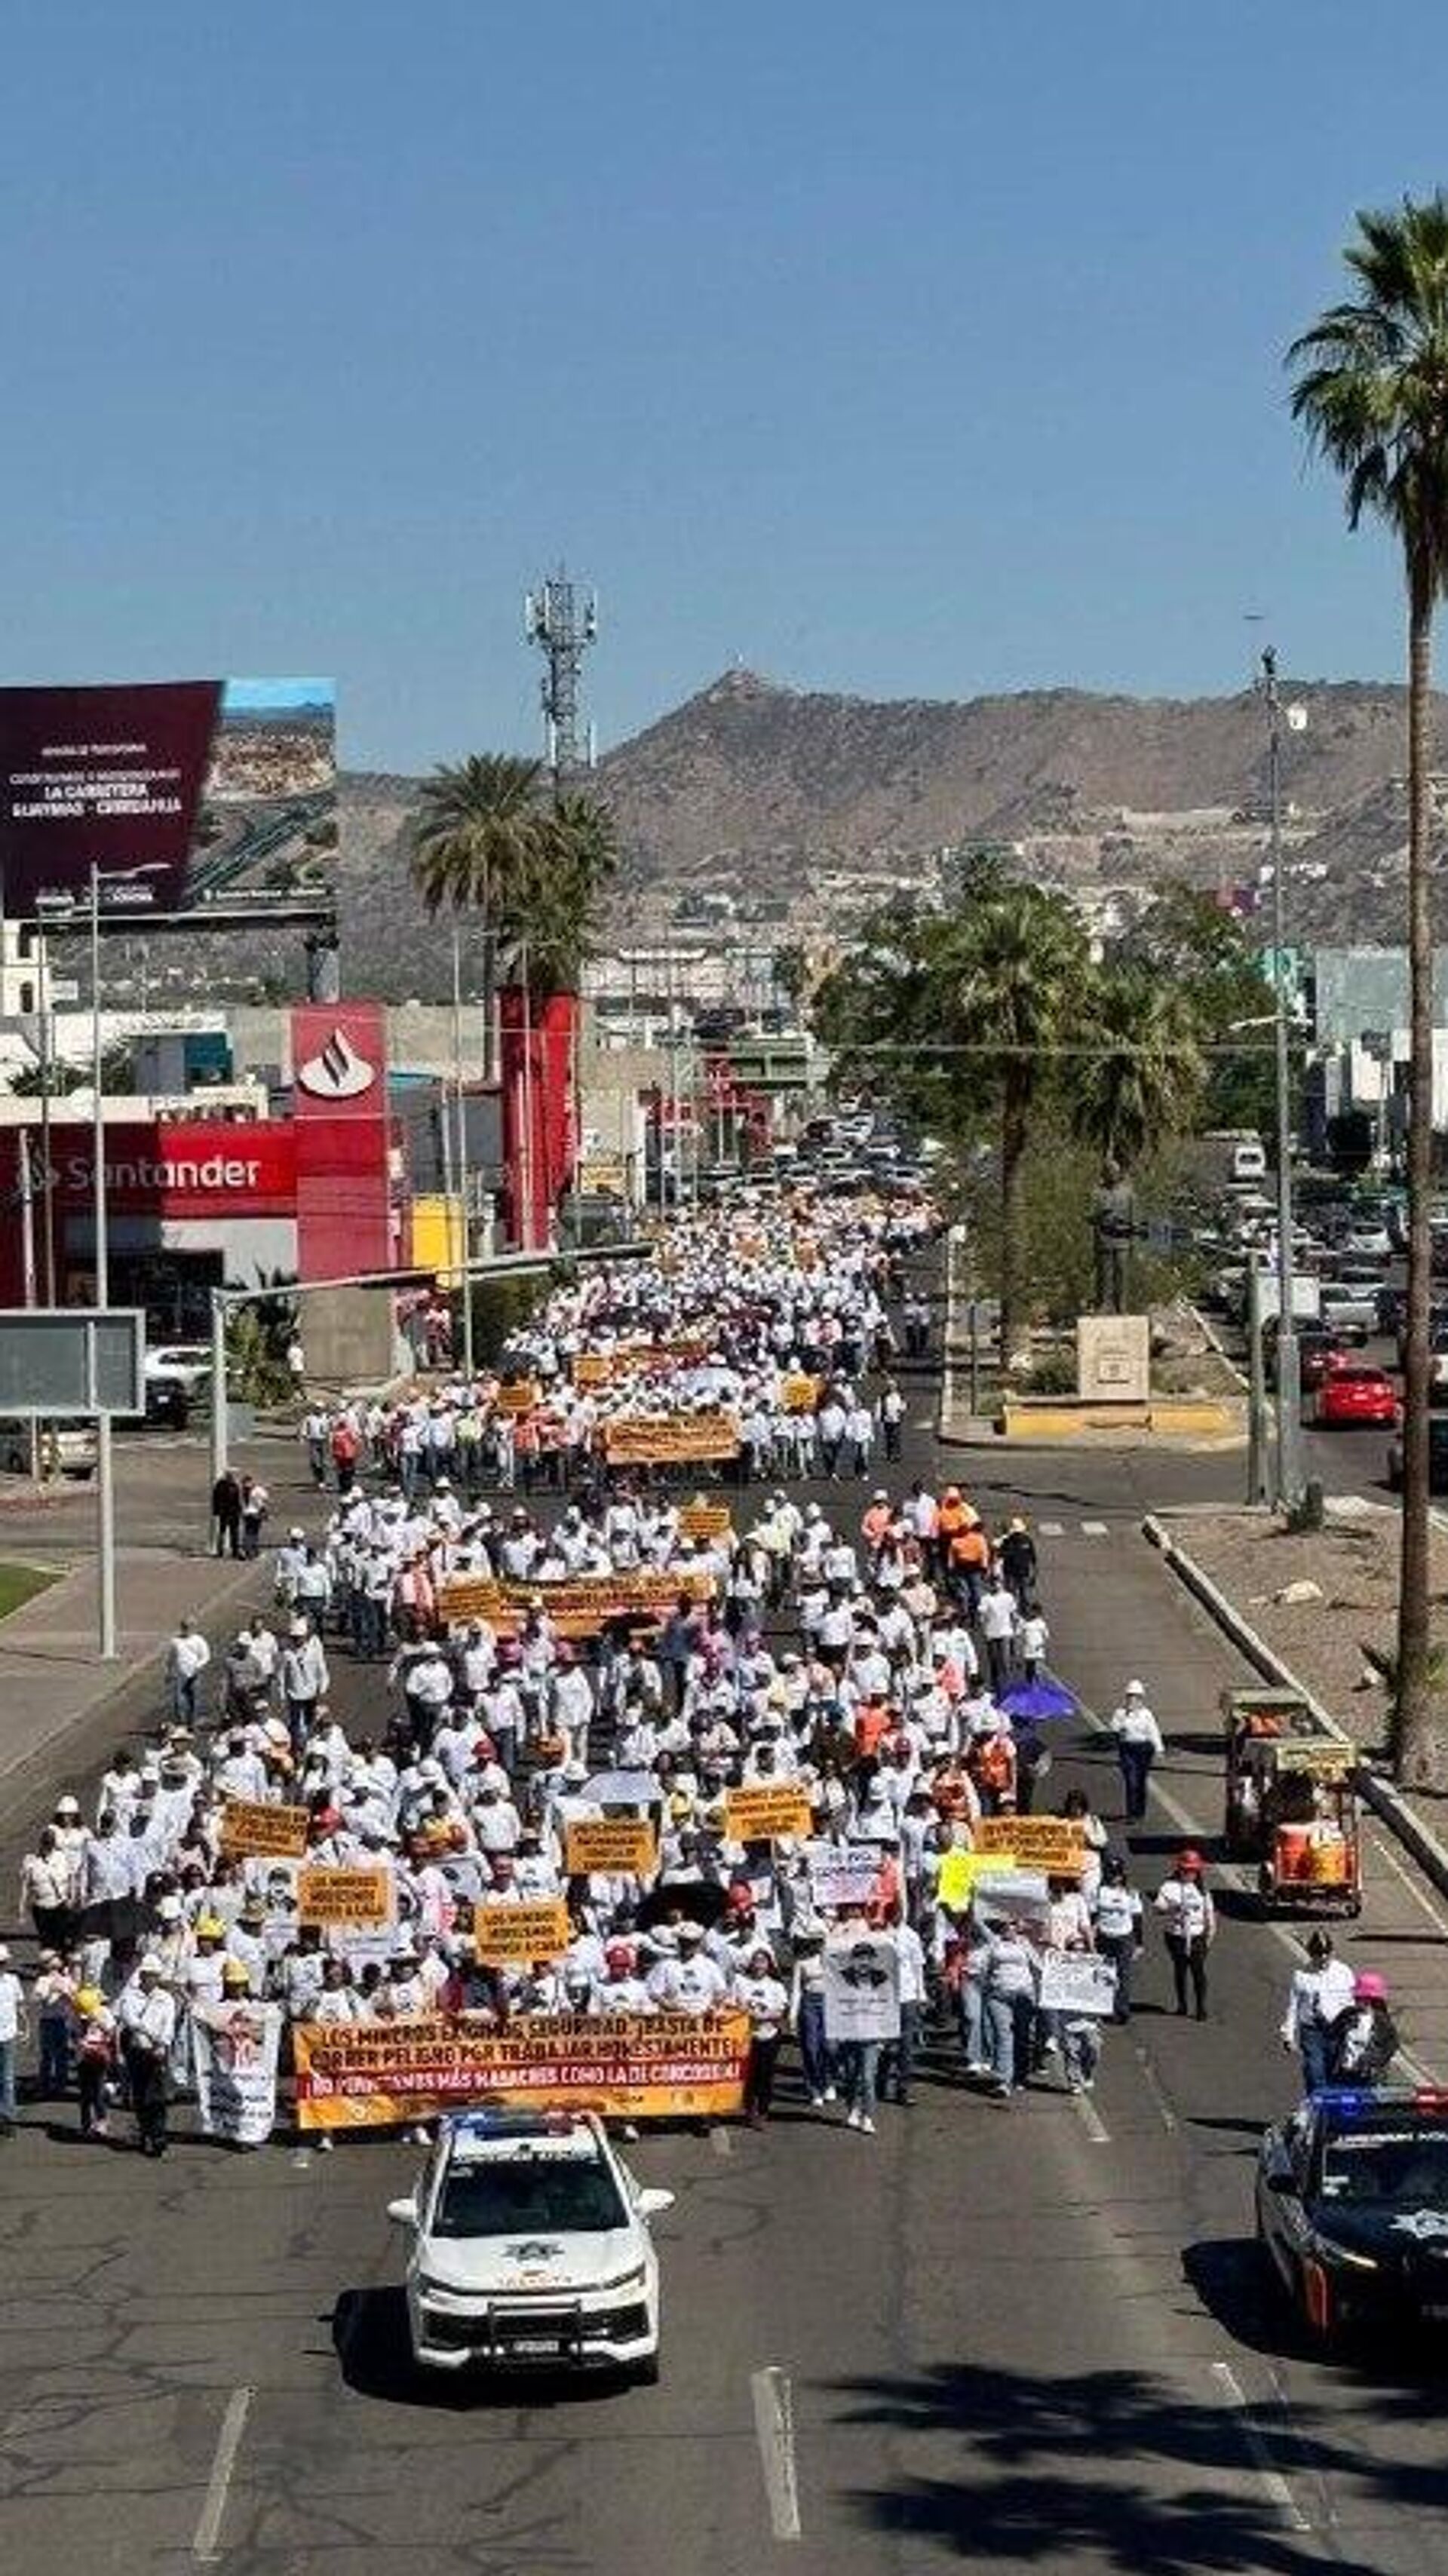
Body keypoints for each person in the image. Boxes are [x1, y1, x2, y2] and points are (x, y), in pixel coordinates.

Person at [1279, 1930, 1356, 2094]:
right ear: (1310, 1953)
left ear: (1332, 1953)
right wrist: (1288, 2034)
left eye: (1326, 1954)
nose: (1322, 1958)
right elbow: (1293, 2006)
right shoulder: (1301, 1976)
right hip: (1312, 2030)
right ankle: (1317, 2104)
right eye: (1318, 1954)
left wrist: (1353, 2028)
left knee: (1334, 2072)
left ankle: (1329, 2111)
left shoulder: (1344, 1972)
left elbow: (1351, 2002)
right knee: (1315, 2071)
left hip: (1337, 2029)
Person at [115, 1955, 177, 2156]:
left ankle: (159, 2137)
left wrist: (163, 2044)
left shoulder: (166, 1999)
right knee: (141, 2095)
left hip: (157, 2052)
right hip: (137, 2051)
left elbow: (169, 2025)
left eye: (154, 1975)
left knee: (157, 2096)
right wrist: (152, 2035)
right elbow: (132, 2022)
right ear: (141, 1976)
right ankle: (145, 2133)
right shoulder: (130, 1997)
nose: (151, 1979)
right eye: (148, 1975)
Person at [1155, 1850, 1214, 2020]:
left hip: (1197, 1935)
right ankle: (1182, 2004)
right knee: (1180, 1970)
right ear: (1179, 1869)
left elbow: (1209, 1914)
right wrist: (1173, 1908)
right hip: (1176, 1935)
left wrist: (1209, 1936)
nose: (1190, 1874)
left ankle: (1201, 2007)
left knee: (1198, 1971)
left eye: (1194, 1870)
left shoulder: (1202, 1888)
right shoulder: (1169, 1886)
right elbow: (1157, 1908)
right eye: (1187, 1870)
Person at [735, 1944, 790, 2127]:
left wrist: (762, 2016)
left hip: (769, 2034)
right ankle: (749, 2109)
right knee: (749, 2075)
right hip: (746, 2036)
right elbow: (729, 2004)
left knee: (766, 2075)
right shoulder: (740, 1982)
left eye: (763, 1961)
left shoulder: (776, 1986)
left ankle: (764, 2111)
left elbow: (781, 2010)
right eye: (756, 1961)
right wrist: (742, 2011)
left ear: (769, 1965)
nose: (759, 1965)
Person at [1092, 1853, 1143, 2023]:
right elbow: (1093, 1915)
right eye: (1112, 1874)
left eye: (1118, 1874)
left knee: (1124, 1974)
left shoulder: (1131, 1893)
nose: (1115, 1878)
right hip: (1104, 1937)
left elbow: (1137, 1918)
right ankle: (1106, 2009)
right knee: (1105, 1974)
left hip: (1124, 1937)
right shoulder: (1098, 1891)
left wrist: (1139, 1943)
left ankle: (1122, 2009)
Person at [1325, 1970, 1399, 2083]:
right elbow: (1331, 2035)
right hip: (1343, 2074)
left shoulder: (1382, 2022)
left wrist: (1370, 2061)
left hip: (1370, 2077)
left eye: (1360, 1998)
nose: (1356, 2000)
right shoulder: (1347, 2014)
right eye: (1356, 1998)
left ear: (1371, 1999)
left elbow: (1391, 2047)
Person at [1110, 1680, 1164, 1823]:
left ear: (1141, 1699)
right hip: (1127, 1749)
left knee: (1140, 1781)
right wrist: (1120, 1726)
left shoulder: (1147, 1714)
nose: (1132, 1700)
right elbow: (1113, 1727)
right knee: (1131, 1781)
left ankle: (1140, 1812)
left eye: (1135, 1697)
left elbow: (1153, 1732)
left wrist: (1159, 1749)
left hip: (1144, 1750)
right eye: (1129, 1696)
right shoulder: (1120, 1713)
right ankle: (1131, 1814)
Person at [0, 1944, 27, 2134]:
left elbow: (20, 2005)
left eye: (3, 1962)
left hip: (8, 2034)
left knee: (8, 2078)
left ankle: (8, 2117)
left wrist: (27, 2026)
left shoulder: (13, 1980)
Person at [165, 1618, 211, 1728]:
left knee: (193, 1698)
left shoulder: (199, 1640)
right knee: (178, 1700)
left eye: (189, 1627)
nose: (187, 1629)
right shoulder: (175, 1641)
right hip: (180, 1673)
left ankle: (192, 1722)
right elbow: (171, 1658)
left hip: (195, 1673)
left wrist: (198, 1666)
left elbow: (206, 1656)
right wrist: (169, 1672)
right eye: (185, 1627)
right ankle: (181, 1723)